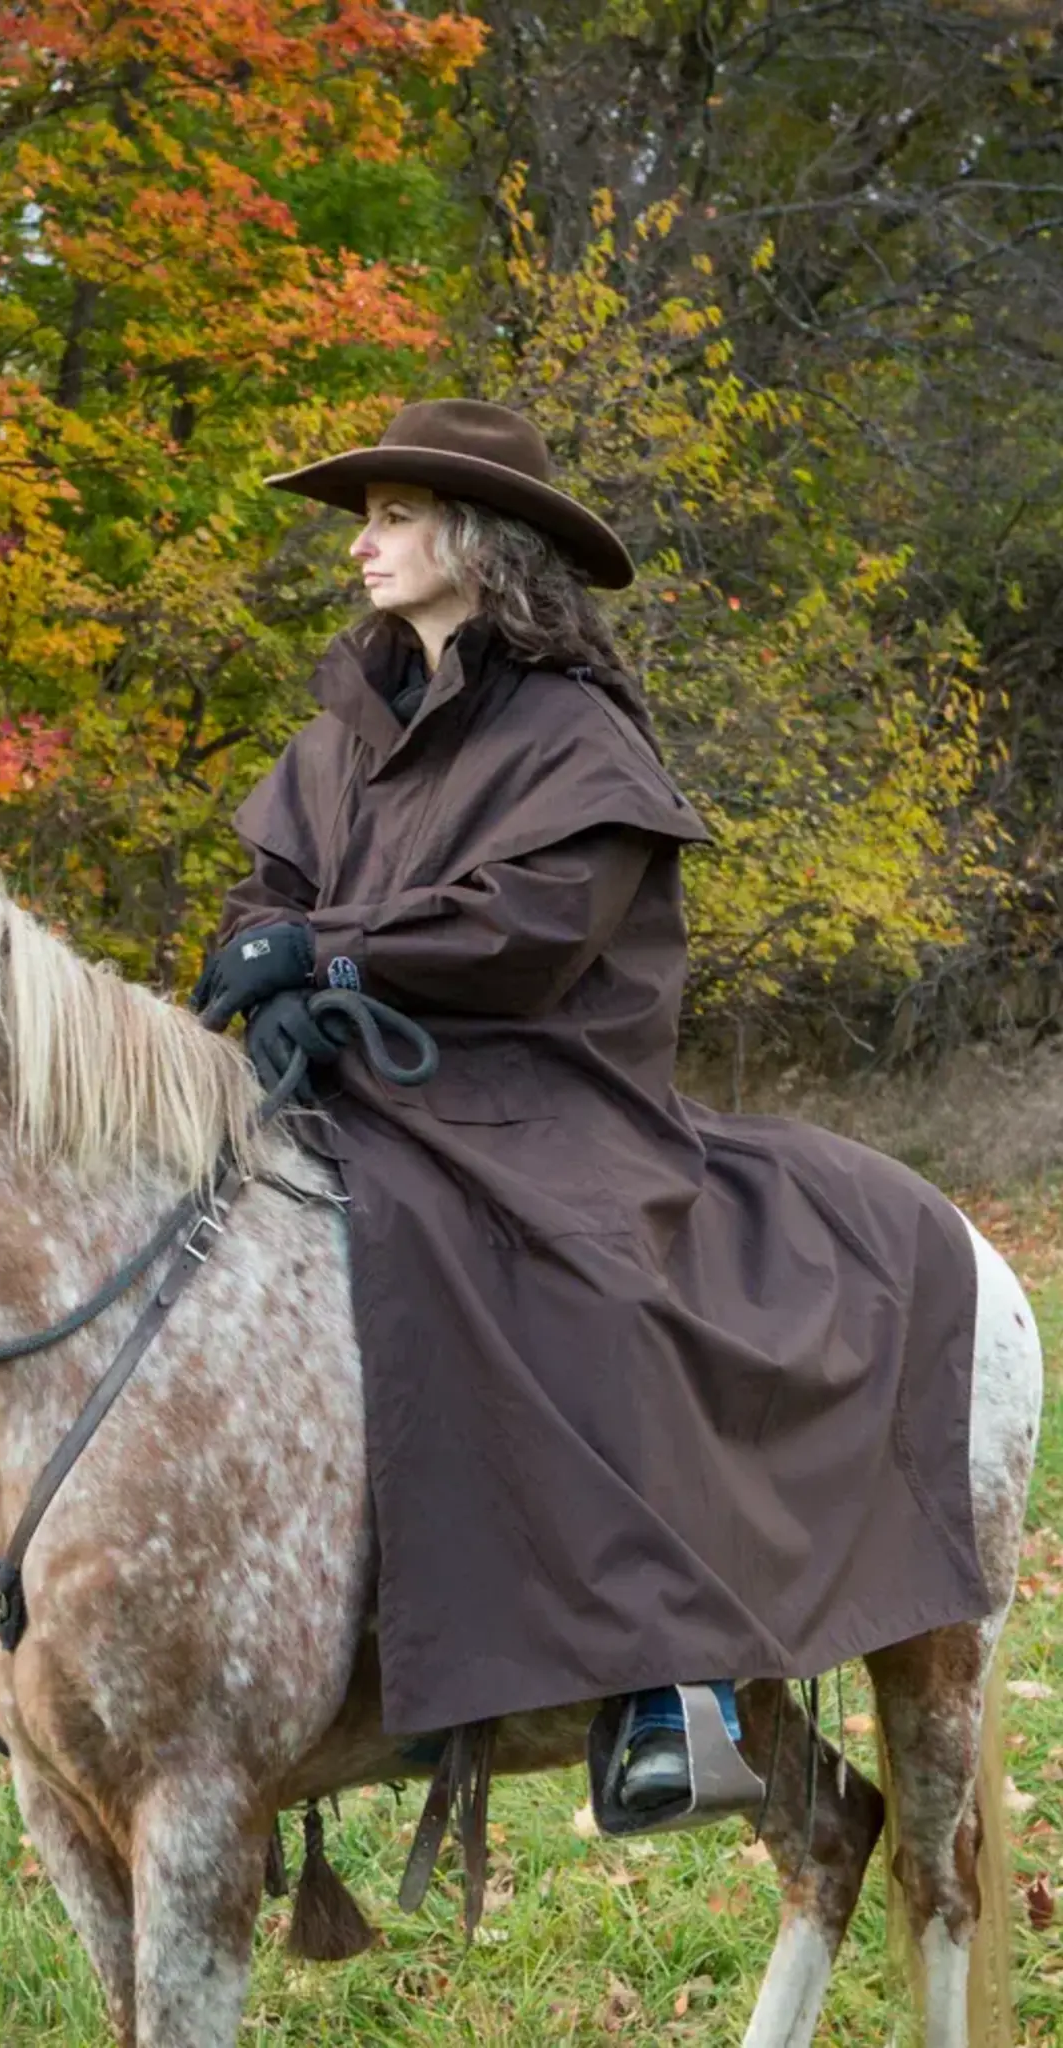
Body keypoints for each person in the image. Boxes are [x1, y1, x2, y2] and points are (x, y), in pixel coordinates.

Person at [193, 399, 990, 1824]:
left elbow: (533, 929)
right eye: (363, 516)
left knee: (592, 1276)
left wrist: (332, 952)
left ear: (477, 542)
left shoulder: (575, 733)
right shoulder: (342, 732)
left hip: (542, 1092)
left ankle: (658, 1680)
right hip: (356, 1082)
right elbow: (274, 890)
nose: (362, 545)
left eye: (391, 516)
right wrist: (272, 953)